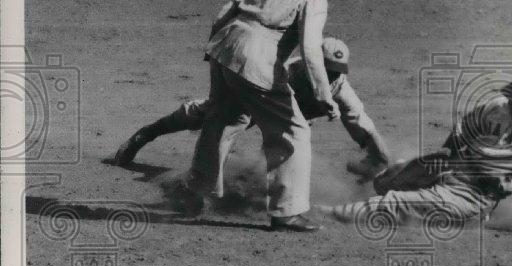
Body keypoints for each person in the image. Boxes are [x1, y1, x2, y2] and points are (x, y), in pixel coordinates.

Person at [178, 0, 341, 232]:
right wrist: (324, 95)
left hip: (225, 46)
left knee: (222, 118)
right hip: (257, 56)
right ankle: (287, 212)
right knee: (293, 131)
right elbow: (311, 49)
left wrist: (215, 53)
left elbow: (224, 13)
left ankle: (193, 192)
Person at [111, 38, 391, 197]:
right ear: (311, 62)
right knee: (209, 114)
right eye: (327, 69)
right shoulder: (286, 72)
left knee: (289, 145)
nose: (331, 76)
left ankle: (257, 190)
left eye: (337, 71)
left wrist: (378, 161)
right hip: (257, 96)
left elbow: (362, 125)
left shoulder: (339, 87)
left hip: (290, 118)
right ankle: (147, 134)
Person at [324, 69, 512, 238]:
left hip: (474, 197)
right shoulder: (499, 107)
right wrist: (443, 157)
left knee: (395, 203)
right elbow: (462, 131)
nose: (510, 102)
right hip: (455, 169)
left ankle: (330, 213)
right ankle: (371, 188)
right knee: (390, 178)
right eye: (511, 97)